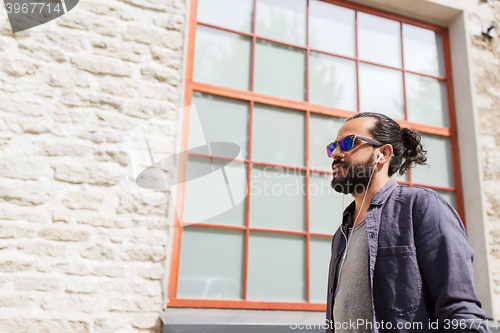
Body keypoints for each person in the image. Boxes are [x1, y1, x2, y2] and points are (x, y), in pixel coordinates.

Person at [324, 112, 490, 333]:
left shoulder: (421, 208)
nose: (335, 153)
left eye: (347, 143)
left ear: (383, 153)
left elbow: (459, 313)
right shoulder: (342, 234)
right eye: (332, 147)